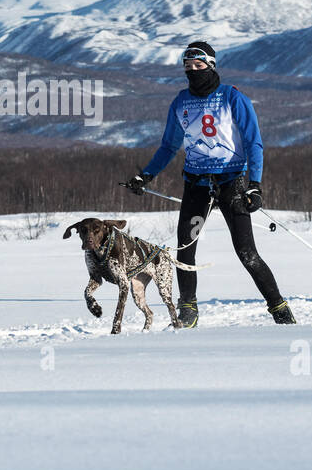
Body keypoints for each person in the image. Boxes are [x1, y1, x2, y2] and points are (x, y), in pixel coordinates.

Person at [124, 41, 295, 327]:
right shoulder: (180, 102)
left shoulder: (232, 98)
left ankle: (279, 308)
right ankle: (188, 308)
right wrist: (147, 175)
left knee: (247, 252)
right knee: (185, 249)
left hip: (231, 183)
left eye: (198, 66)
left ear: (211, 66)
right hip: (197, 185)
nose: (193, 71)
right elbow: (169, 146)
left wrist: (255, 184)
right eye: (188, 67)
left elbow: (254, 142)